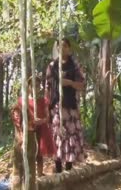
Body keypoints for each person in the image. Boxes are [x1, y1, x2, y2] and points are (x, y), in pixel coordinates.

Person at [45, 38, 87, 173]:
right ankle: (58, 169)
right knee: (57, 135)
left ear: (69, 49)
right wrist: (47, 107)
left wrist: (69, 83)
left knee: (70, 136)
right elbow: (48, 87)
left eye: (64, 46)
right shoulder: (52, 66)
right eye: (59, 46)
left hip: (71, 107)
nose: (61, 48)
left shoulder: (75, 66)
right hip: (56, 106)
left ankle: (69, 169)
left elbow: (82, 85)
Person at [27, 76, 56, 177]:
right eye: (33, 85)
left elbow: (47, 117)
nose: (35, 88)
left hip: (41, 130)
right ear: (29, 87)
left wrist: (41, 121)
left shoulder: (43, 101)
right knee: (29, 153)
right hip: (29, 130)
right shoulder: (23, 101)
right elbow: (21, 117)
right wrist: (31, 122)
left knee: (39, 154)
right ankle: (30, 175)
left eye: (38, 85)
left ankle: (39, 174)